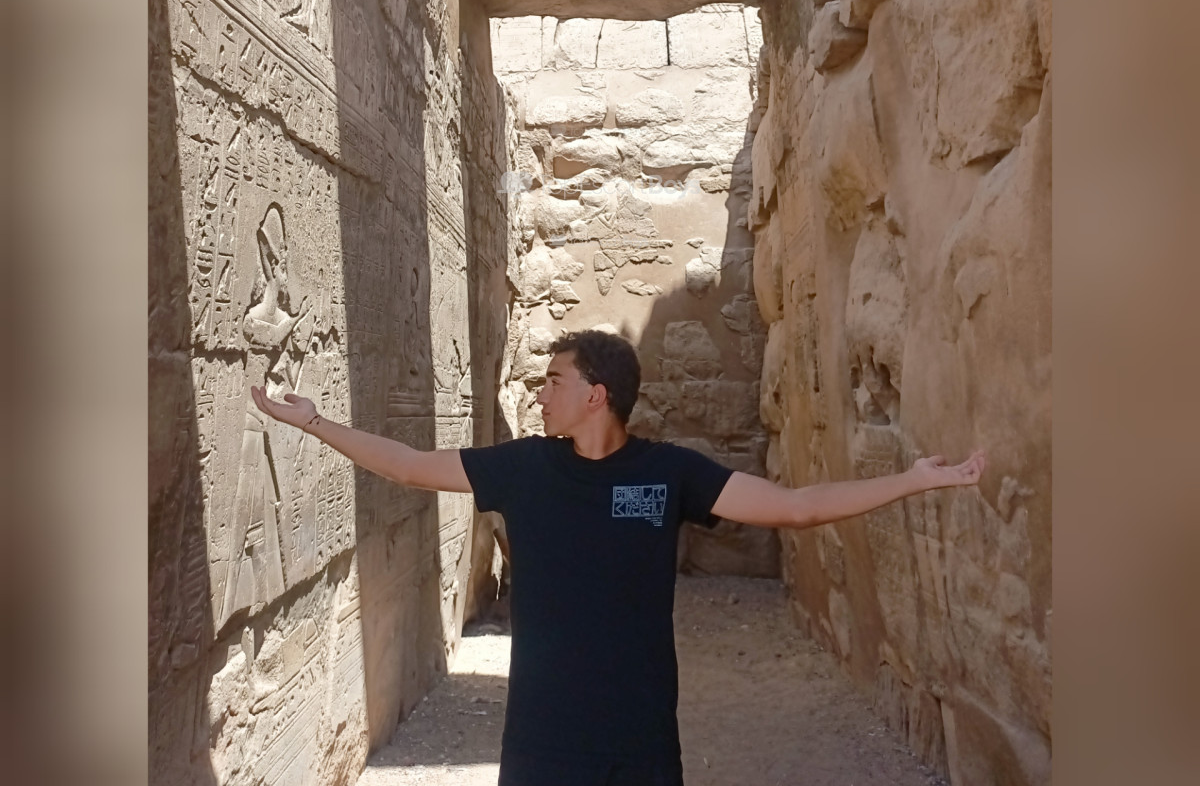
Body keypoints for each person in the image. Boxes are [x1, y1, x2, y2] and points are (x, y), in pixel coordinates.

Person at [252, 328, 984, 786]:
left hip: (639, 739)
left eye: (554, 381)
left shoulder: (670, 473)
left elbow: (796, 508)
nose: (541, 393)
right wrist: (315, 423)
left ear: (596, 396)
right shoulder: (525, 468)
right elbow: (412, 468)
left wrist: (912, 481)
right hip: (542, 739)